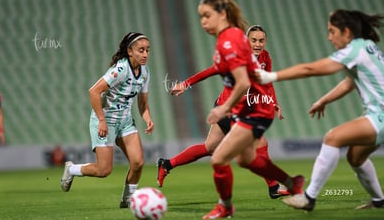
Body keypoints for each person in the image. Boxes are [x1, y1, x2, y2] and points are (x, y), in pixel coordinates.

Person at [188, 0, 304, 219]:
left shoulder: (229, 40)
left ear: (222, 15)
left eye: (207, 15)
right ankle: (293, 183)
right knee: (245, 160)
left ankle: (226, 207)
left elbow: (243, 82)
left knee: (219, 159)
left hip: (255, 111)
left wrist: (223, 108)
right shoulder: (229, 37)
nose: (202, 21)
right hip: (247, 109)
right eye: (200, 16)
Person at [256, 9, 384, 210]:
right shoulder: (366, 46)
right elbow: (350, 83)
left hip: (381, 116)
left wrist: (271, 77)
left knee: (333, 138)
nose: (329, 37)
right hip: (378, 115)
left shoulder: (353, 50)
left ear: (347, 32)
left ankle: (309, 197)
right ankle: (379, 202)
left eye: (332, 31)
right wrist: (323, 100)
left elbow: (310, 69)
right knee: (355, 157)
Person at [157, 25, 290, 199]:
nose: (258, 44)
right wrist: (185, 84)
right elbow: (211, 70)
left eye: (261, 40)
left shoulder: (265, 57)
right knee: (260, 143)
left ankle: (167, 164)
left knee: (210, 147)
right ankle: (273, 187)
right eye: (254, 40)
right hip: (228, 110)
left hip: (231, 109)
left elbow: (267, 82)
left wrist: (273, 102)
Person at [60, 32, 155, 208]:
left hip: (125, 122)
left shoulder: (145, 72)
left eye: (148, 50)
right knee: (103, 170)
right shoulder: (121, 69)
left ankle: (128, 201)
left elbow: (143, 104)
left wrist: (148, 118)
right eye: (141, 50)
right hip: (106, 121)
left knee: (138, 162)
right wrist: (101, 120)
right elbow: (93, 91)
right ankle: (71, 169)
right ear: (130, 51)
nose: (145, 54)